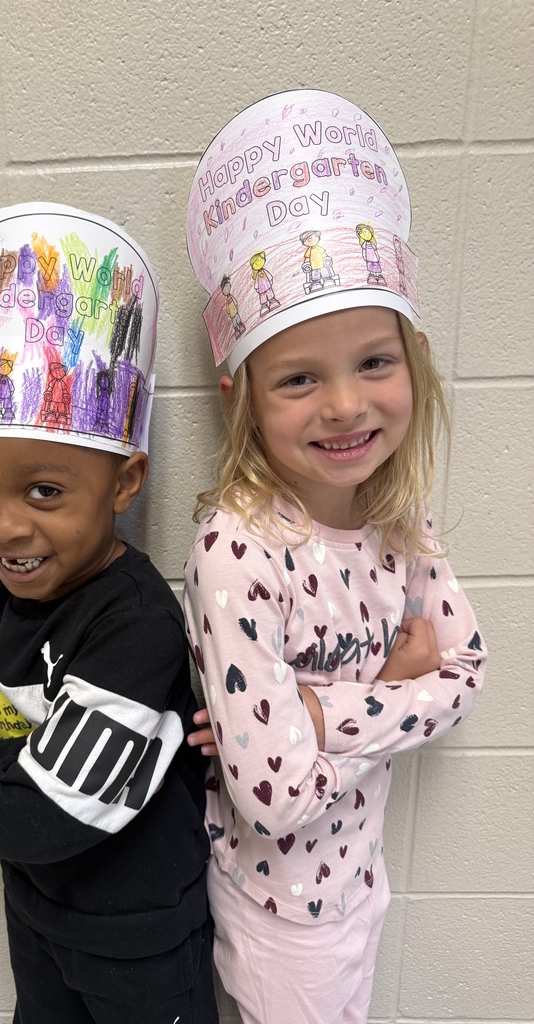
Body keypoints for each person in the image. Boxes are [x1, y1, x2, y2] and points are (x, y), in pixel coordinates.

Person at [184, 91, 486, 1024]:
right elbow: (273, 797)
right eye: (300, 378)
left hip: (360, 876)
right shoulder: (237, 551)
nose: (346, 406)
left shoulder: (401, 515)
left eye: (373, 363)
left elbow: (467, 672)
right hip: (280, 916)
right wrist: (399, 686)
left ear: (414, 364)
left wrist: (321, 710)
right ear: (243, 397)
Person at [0, 203, 216, 1024]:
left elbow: (42, 812)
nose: (1, 526)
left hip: (141, 940)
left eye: (45, 491)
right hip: (33, 910)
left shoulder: (134, 624)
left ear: (126, 484)